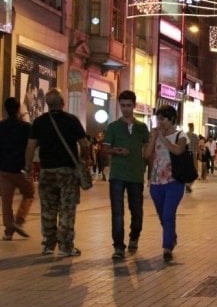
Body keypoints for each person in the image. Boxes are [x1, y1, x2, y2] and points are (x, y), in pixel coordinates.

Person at [24, 88, 91, 257]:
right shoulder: (72, 120)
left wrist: (28, 168)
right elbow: (84, 144)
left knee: (48, 208)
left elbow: (31, 146)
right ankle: (65, 247)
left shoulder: (39, 122)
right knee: (67, 210)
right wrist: (85, 159)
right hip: (67, 172)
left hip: (47, 172)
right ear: (63, 103)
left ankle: (48, 244)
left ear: (46, 104)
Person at [102, 90, 150, 260]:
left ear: (134, 105)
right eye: (123, 105)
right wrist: (117, 151)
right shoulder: (113, 127)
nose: (126, 109)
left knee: (137, 211)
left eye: (129, 105)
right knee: (117, 212)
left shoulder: (142, 128)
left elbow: (148, 151)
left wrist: (150, 171)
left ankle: (134, 237)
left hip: (136, 176)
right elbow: (105, 148)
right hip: (117, 175)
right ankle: (118, 247)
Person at [144, 105, 187, 262]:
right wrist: (153, 138)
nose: (160, 122)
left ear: (172, 119)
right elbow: (147, 154)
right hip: (156, 182)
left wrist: (162, 138)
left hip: (174, 182)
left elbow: (178, 151)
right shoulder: (154, 134)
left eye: (163, 118)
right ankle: (171, 236)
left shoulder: (181, 135)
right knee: (162, 215)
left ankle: (167, 248)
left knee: (169, 214)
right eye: (158, 118)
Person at [0, 97, 33, 240]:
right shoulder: (26, 127)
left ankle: (8, 232)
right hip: (20, 168)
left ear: (5, 109)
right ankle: (19, 221)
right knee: (29, 193)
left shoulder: (0, 126)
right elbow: (31, 147)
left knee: (6, 202)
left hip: (4, 170)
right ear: (19, 109)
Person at [185, 123, 199, 193]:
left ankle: (187, 184)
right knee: (195, 171)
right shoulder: (195, 136)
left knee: (186, 170)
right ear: (192, 127)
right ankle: (189, 185)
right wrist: (199, 154)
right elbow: (197, 147)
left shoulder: (185, 135)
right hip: (193, 155)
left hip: (186, 155)